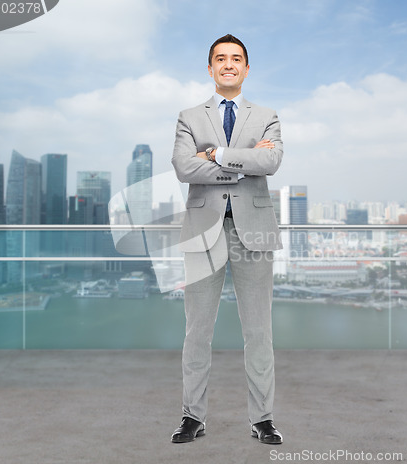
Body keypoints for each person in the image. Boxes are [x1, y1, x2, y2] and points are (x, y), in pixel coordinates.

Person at [170, 34, 284, 445]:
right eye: (221, 59)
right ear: (210, 68)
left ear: (246, 68)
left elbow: (270, 161)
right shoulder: (188, 115)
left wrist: (215, 155)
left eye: (236, 59)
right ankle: (192, 417)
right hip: (204, 233)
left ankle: (263, 419)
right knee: (197, 331)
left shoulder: (267, 114)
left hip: (253, 231)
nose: (229, 64)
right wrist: (241, 162)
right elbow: (183, 167)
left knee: (259, 332)